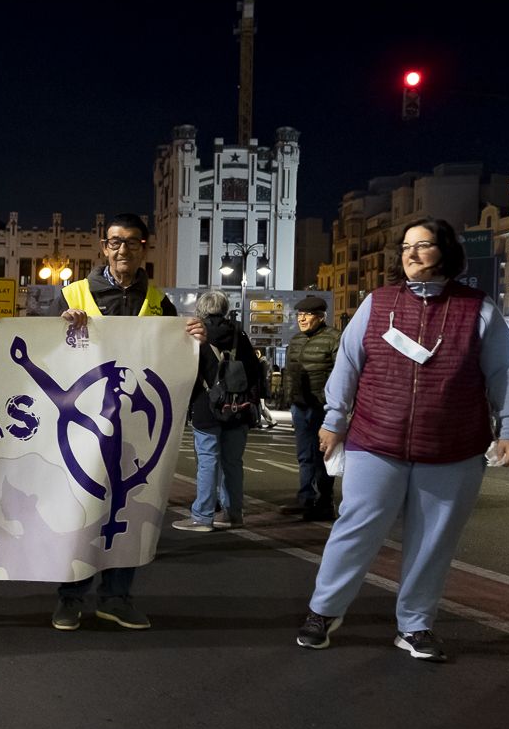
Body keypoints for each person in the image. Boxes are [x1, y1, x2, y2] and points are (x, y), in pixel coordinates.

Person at [296, 218, 509, 663]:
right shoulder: (377, 303)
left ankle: (415, 625)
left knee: (434, 539)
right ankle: (323, 611)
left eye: (423, 246)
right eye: (405, 247)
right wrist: (335, 419)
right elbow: (348, 363)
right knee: (355, 527)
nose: (411, 254)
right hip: (375, 438)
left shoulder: (479, 310)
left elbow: (505, 372)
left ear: (446, 252)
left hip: (453, 446)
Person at [53, 212, 205, 632]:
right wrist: (59, 331)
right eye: (115, 242)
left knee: (128, 512)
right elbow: (44, 347)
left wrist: (192, 339)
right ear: (104, 247)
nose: (123, 250)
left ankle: (117, 597)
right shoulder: (72, 295)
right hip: (84, 428)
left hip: (136, 431)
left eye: (132, 242)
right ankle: (70, 597)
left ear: (144, 248)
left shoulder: (159, 303)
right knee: (81, 509)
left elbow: (175, 366)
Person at [173, 291, 262, 532]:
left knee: (208, 461)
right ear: (225, 310)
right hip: (238, 408)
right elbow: (255, 371)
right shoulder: (240, 335)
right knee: (233, 462)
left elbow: (186, 373)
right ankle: (233, 513)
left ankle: (202, 516)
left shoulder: (196, 336)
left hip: (207, 407)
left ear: (201, 311)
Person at [281, 295, 341, 521]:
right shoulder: (296, 341)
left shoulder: (334, 338)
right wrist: (289, 398)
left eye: (307, 315)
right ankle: (305, 498)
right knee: (304, 455)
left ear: (320, 317)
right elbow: (290, 372)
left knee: (322, 455)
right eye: (299, 315)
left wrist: (336, 405)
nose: (302, 319)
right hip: (300, 406)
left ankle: (325, 502)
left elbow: (341, 373)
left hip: (322, 407)